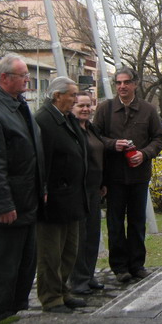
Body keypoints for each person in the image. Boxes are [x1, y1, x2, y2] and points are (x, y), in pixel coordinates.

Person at [0, 53, 46, 324]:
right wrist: (3, 204)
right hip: (7, 209)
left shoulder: (19, 106)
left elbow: (32, 153)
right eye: (23, 75)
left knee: (24, 269)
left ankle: (17, 317)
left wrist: (41, 187)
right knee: (4, 270)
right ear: (4, 78)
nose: (28, 80)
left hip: (27, 203)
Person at [94, 67, 162, 283]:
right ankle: (119, 267)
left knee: (137, 221)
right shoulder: (105, 109)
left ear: (135, 84)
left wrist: (144, 154)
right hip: (114, 176)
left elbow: (159, 138)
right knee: (115, 223)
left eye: (126, 82)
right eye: (118, 83)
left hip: (139, 175)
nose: (122, 86)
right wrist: (112, 144)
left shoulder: (148, 110)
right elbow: (95, 136)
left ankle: (137, 264)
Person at [35, 76, 88, 313]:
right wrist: (43, 189)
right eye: (72, 95)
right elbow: (40, 160)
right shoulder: (43, 121)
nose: (75, 100)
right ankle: (51, 297)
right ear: (58, 96)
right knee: (51, 253)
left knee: (69, 250)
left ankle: (63, 291)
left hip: (71, 197)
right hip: (54, 198)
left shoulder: (67, 119)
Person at [68, 91, 106, 295]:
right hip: (77, 190)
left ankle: (89, 275)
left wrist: (103, 182)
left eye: (88, 105)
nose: (85, 109)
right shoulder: (70, 129)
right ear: (72, 107)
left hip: (94, 189)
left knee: (92, 234)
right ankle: (78, 279)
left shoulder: (92, 129)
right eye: (80, 105)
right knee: (79, 237)